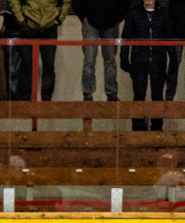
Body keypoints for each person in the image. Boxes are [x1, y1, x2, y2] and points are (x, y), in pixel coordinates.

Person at [121, 0, 171, 131]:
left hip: (158, 59)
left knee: (157, 96)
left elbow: (169, 37)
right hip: (139, 60)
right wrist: (124, 57)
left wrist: (173, 59)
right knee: (139, 94)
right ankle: (137, 130)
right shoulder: (134, 13)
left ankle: (157, 129)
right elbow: (126, 36)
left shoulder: (163, 14)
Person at [8, 0, 71, 101]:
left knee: (48, 65)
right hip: (29, 25)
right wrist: (21, 19)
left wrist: (59, 19)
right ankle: (26, 102)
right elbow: (14, 1)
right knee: (27, 65)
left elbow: (66, 2)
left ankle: (46, 102)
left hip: (49, 26)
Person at [73, 0, 130, 102]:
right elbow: (76, 2)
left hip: (112, 24)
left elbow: (125, 3)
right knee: (89, 60)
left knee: (110, 60)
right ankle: (88, 93)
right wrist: (83, 17)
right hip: (90, 23)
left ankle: (111, 93)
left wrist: (118, 18)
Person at [167, 0, 184, 99]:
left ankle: (169, 95)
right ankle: (169, 96)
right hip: (177, 32)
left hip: (176, 30)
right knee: (174, 63)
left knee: (174, 64)